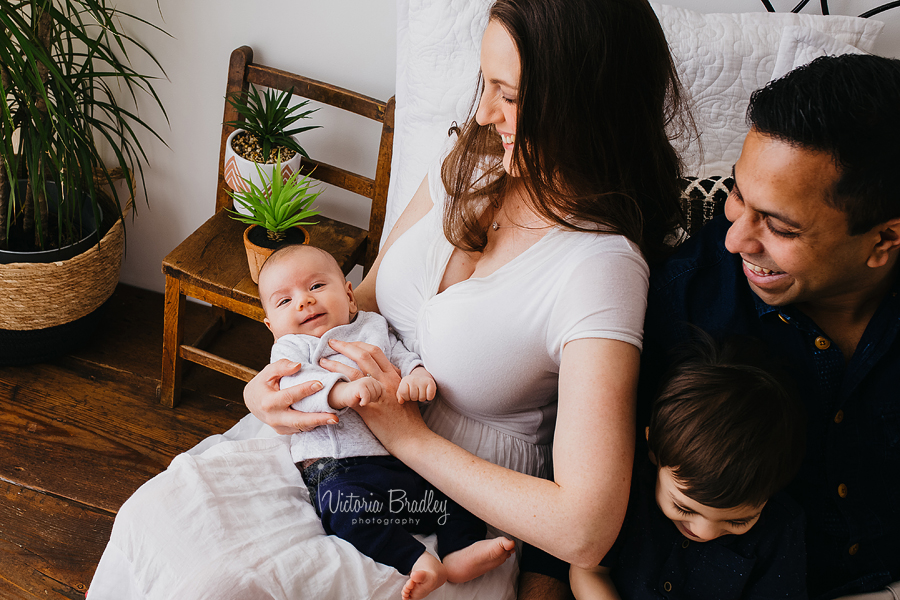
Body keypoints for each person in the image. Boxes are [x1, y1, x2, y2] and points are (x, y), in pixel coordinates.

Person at [89, 1, 691, 597]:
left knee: (223, 589)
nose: (483, 113)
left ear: (582, 109)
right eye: (486, 84)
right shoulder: (471, 161)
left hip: (441, 516)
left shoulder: (600, 267)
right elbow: (365, 300)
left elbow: (585, 531)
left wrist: (407, 435)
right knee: (154, 520)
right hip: (330, 440)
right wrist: (267, 386)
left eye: (509, 95)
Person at [640, 54, 900, 600]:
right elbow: (586, 460)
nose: (737, 240)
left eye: (779, 226)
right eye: (738, 194)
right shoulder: (685, 297)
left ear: (885, 241)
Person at [257, 244, 515, 600]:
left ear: (349, 296)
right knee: (345, 512)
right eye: (284, 301)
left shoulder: (372, 326)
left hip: (396, 462)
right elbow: (294, 388)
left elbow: (398, 353)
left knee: (451, 496)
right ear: (271, 325)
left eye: (316, 287)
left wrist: (416, 373)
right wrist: (340, 394)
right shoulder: (291, 347)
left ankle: (459, 551)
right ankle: (417, 559)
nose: (303, 301)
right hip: (338, 469)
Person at [571, 334, 807, 600]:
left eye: (738, 520)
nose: (704, 532)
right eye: (683, 507)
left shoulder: (779, 530)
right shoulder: (627, 490)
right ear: (654, 451)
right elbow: (588, 572)